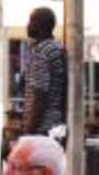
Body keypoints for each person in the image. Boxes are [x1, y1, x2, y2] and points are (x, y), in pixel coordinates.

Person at [22, 7, 67, 138]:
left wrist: (28, 131)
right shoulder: (56, 48)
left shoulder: (42, 52)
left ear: (39, 24)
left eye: (31, 21)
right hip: (56, 125)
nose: (28, 25)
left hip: (42, 128)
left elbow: (39, 96)